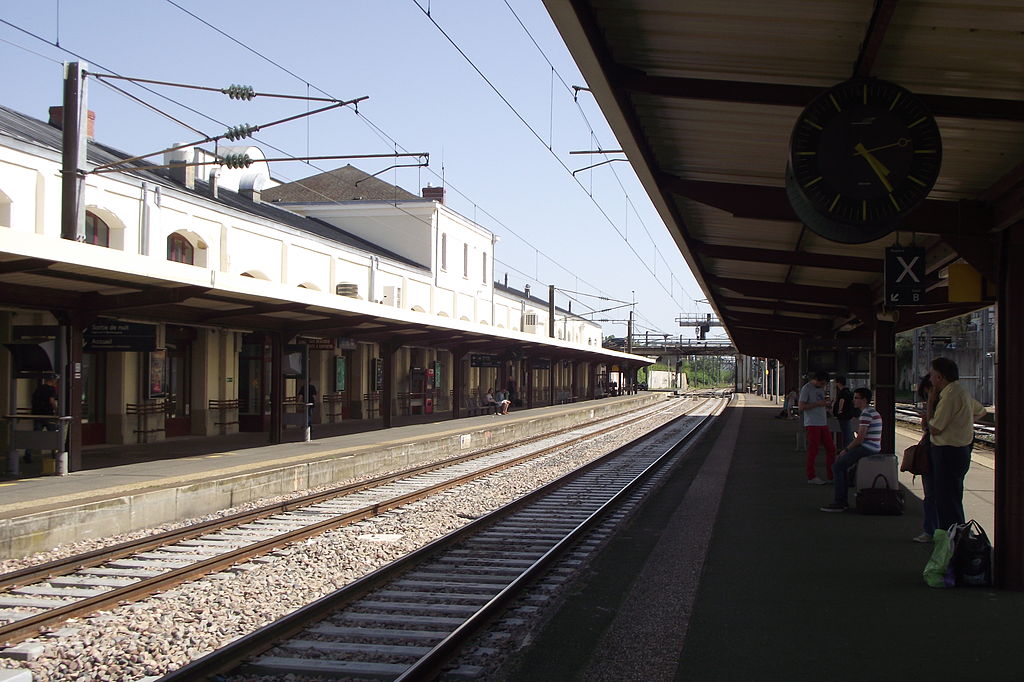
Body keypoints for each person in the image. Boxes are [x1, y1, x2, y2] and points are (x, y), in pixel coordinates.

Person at [927, 357, 987, 530]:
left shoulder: (949, 396)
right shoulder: (961, 391)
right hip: (960, 452)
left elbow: (935, 428)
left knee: (946, 501)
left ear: (939, 376)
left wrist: (930, 402)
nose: (931, 379)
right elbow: (981, 411)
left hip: (947, 452)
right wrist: (964, 422)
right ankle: (957, 539)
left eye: (932, 375)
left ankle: (953, 542)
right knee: (953, 498)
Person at [820, 387, 882, 511]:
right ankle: (844, 496)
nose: (853, 400)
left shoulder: (865, 414)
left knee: (837, 466)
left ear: (864, 400)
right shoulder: (872, 411)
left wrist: (846, 450)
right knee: (843, 465)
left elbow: (859, 438)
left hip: (867, 448)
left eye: (856, 398)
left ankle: (840, 502)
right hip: (874, 446)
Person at [914, 375, 939, 542]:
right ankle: (936, 530)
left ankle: (931, 530)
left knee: (931, 495)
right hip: (935, 451)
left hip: (935, 451)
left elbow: (931, 428)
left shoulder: (944, 402)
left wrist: (930, 403)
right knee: (936, 495)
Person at [799, 371, 835, 484]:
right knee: (813, 450)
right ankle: (811, 476)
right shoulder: (807, 388)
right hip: (812, 423)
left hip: (822, 422)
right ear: (817, 380)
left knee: (831, 449)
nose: (824, 386)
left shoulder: (820, 389)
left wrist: (826, 405)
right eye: (823, 383)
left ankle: (832, 475)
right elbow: (801, 406)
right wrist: (818, 404)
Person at [26, 374, 59, 463]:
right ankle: (55, 454)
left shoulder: (39, 388)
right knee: (53, 435)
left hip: (37, 414)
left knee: (36, 435)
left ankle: (28, 453)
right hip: (48, 415)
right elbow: (51, 401)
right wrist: (56, 410)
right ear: (52, 380)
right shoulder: (52, 389)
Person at [832, 376, 857, 447]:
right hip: (848, 415)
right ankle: (848, 447)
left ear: (838, 383)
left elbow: (841, 400)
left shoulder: (842, 392)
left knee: (846, 433)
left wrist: (840, 410)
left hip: (843, 416)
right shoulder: (848, 391)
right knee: (847, 432)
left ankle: (847, 448)